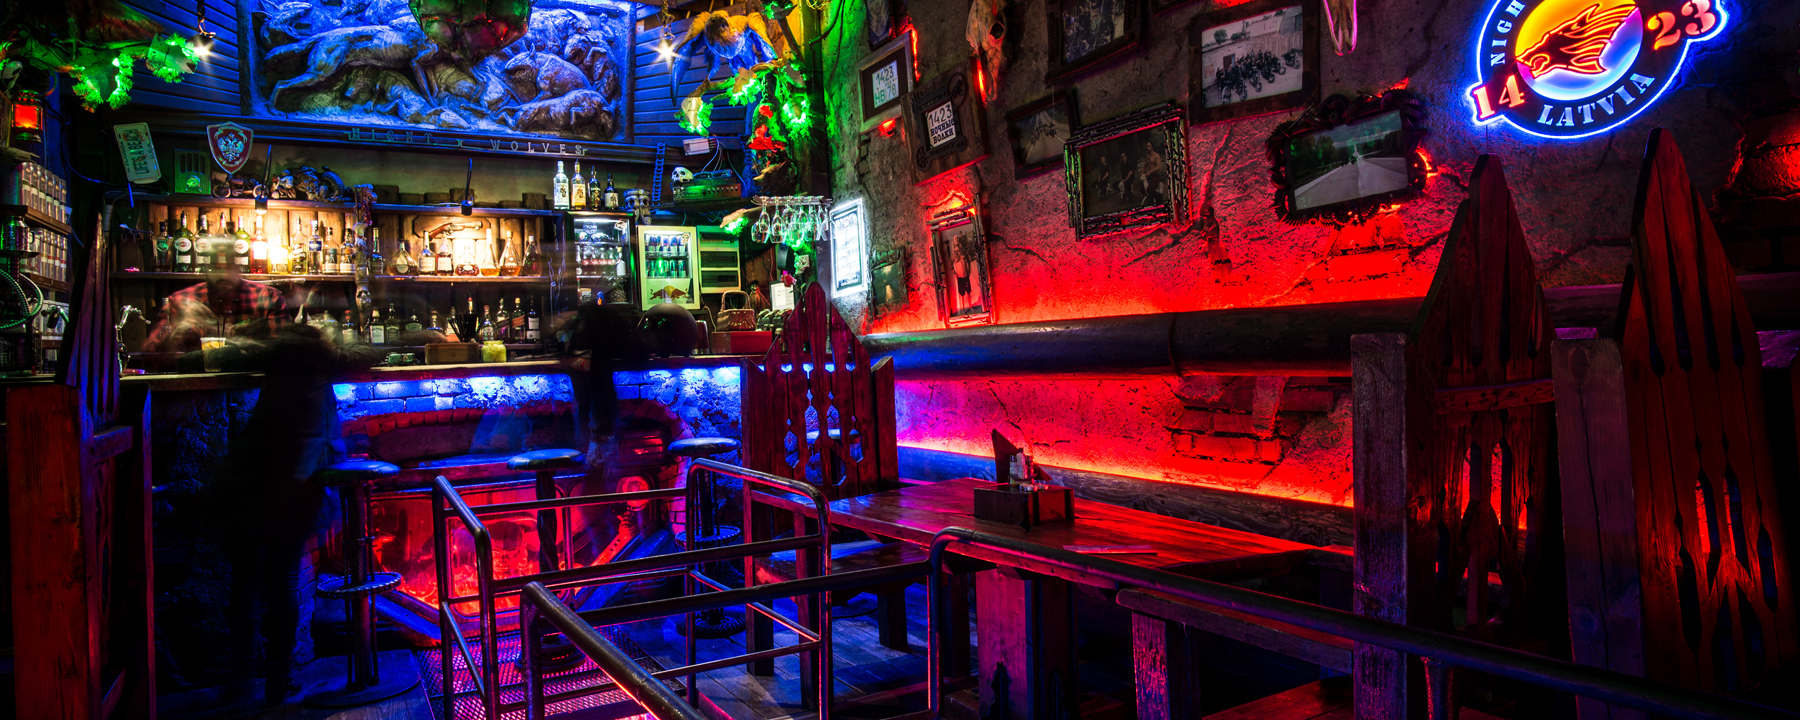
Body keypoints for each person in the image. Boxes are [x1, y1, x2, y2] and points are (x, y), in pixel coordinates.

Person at [215, 321, 382, 704]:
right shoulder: (322, 356)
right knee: (284, 580)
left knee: (244, 581)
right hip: (290, 483)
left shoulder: (273, 353)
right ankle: (278, 678)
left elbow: (217, 358)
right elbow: (369, 354)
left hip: (242, 479)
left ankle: (240, 675)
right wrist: (339, 340)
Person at [144, 269, 288, 355]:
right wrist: (176, 333)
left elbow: (285, 353)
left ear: (238, 265)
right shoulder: (182, 299)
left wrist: (238, 341)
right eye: (216, 267)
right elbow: (151, 356)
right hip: (196, 390)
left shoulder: (267, 297)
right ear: (206, 266)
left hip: (255, 389)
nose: (223, 275)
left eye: (228, 266)